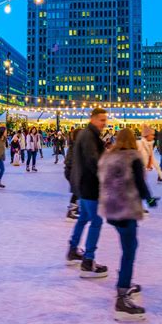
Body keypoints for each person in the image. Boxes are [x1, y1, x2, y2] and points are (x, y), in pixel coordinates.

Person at [98, 128, 158, 321]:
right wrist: (149, 201)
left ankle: (124, 281)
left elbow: (102, 182)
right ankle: (122, 297)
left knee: (127, 247)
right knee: (130, 249)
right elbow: (140, 184)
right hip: (126, 210)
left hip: (112, 210)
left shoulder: (108, 157)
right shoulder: (133, 158)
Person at [67, 108, 108, 277]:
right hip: (89, 185)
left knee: (84, 218)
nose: (104, 123)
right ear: (93, 119)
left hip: (82, 184)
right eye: (101, 120)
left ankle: (73, 250)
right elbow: (93, 161)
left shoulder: (87, 134)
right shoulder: (89, 136)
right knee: (96, 221)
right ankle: (88, 260)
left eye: (105, 120)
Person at [64, 128, 81, 222]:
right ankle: (71, 212)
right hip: (71, 171)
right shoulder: (75, 146)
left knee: (79, 190)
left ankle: (75, 208)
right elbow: (71, 161)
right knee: (77, 191)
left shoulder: (75, 145)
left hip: (71, 171)